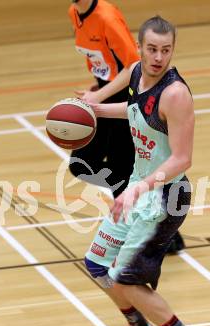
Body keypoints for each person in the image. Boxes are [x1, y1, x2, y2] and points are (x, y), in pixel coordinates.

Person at [82, 16, 210, 326]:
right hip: (140, 188)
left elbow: (182, 158)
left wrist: (140, 187)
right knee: (97, 264)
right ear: (140, 48)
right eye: (152, 49)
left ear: (173, 50)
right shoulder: (139, 72)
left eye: (166, 50)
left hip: (166, 195)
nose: (159, 57)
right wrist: (93, 108)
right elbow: (134, 112)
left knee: (126, 279)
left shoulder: (176, 95)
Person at [68, 0, 185, 252]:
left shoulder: (107, 18)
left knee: (118, 167)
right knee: (85, 165)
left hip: (126, 97)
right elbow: (107, 61)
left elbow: (132, 65)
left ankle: (161, 230)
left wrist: (99, 97)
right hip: (107, 94)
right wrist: (98, 88)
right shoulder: (75, 13)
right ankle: (143, 215)